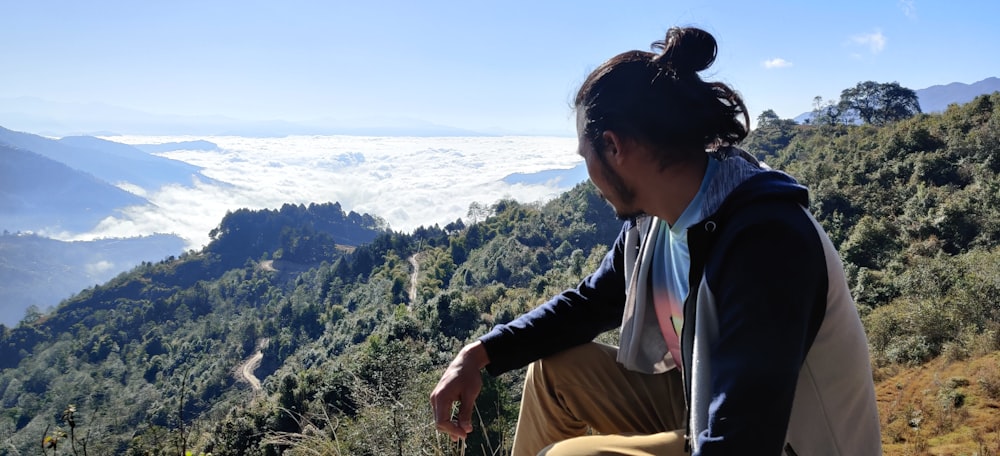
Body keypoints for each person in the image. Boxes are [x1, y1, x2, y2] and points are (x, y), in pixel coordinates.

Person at [431, 26, 881, 456]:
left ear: (613, 146)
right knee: (553, 374)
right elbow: (589, 304)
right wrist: (480, 354)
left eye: (585, 155)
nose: (588, 175)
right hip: (702, 406)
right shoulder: (655, 225)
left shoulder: (764, 243)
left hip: (780, 441)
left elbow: (745, 438)